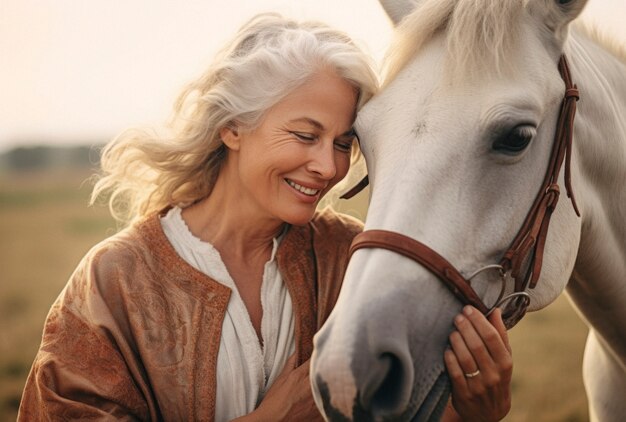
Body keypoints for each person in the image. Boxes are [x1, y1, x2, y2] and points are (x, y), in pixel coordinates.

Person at [19, 13, 512, 421]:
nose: (329, 167)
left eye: (344, 143)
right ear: (233, 126)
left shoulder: (354, 261)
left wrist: (476, 414)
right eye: (305, 135)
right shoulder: (115, 282)